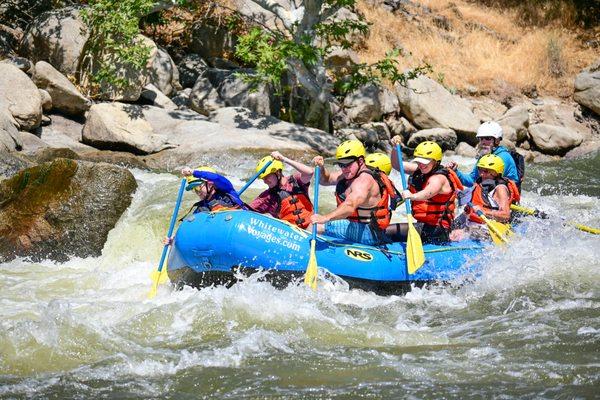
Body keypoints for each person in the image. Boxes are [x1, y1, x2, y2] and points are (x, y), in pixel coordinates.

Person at [310, 140, 397, 245]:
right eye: (340, 164)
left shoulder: (364, 181)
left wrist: (325, 217)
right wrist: (321, 167)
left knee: (314, 226)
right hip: (358, 225)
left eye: (347, 164)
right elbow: (325, 180)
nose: (343, 168)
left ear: (360, 161)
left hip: (367, 232)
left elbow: (350, 205)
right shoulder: (349, 173)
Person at [388, 139, 464, 244]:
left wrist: (412, 196)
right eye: (419, 161)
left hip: (437, 230)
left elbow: (427, 193)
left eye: (425, 161)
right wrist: (395, 148)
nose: (421, 164)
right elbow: (397, 165)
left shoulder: (438, 179)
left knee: (387, 231)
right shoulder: (420, 170)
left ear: (436, 161)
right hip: (424, 225)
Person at [450, 154, 520, 241]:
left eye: (486, 171)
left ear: (496, 172)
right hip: (472, 222)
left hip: (488, 228)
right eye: (480, 169)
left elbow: (505, 215)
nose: (482, 174)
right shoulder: (480, 183)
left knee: (455, 235)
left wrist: (484, 212)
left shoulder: (500, 188)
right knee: (447, 228)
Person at [249, 151, 314, 228]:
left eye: (267, 177)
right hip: (291, 234)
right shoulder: (267, 196)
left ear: (277, 172)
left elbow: (309, 172)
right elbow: (247, 210)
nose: (265, 181)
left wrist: (284, 159)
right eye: (263, 178)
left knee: (317, 226)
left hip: (310, 229)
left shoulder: (296, 181)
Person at [447, 121, 521, 189]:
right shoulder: (485, 157)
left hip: (502, 197)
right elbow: (472, 180)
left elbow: (490, 183)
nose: (483, 142)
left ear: (497, 141)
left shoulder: (503, 157)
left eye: (488, 138)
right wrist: (456, 172)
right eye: (481, 139)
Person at [181, 166, 245, 213]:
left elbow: (216, 178)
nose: (198, 192)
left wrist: (193, 172)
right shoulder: (201, 208)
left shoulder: (227, 190)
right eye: (194, 189)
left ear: (210, 184)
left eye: (198, 187)